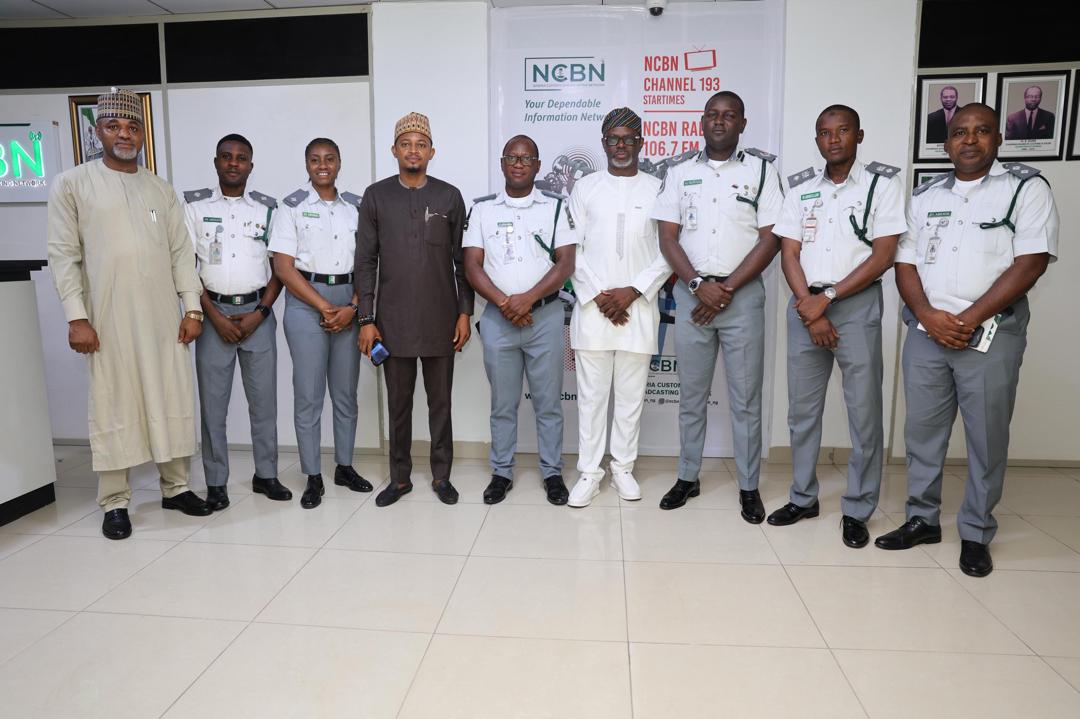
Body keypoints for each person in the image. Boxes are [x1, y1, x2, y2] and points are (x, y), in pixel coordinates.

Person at [876, 103, 1058, 577]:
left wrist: (967, 319)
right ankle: (922, 518)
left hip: (992, 333)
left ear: (998, 139)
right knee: (922, 433)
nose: (970, 140)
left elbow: (1031, 262)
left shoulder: (1025, 189)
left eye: (981, 132)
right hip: (925, 331)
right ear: (946, 143)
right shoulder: (925, 195)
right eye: (960, 132)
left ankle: (976, 532)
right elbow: (905, 263)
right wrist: (928, 316)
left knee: (985, 436)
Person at [47, 87, 212, 540]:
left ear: (142, 132)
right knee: (113, 401)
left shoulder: (160, 189)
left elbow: (182, 254)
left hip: (163, 317)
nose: (124, 133)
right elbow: (64, 255)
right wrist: (76, 317)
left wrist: (192, 308)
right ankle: (115, 501)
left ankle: (175, 488)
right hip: (106, 318)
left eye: (132, 126)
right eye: (114, 125)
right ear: (97, 130)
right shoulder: (73, 184)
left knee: (170, 396)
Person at [766, 105, 904, 547]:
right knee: (802, 412)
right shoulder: (801, 188)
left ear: (859, 136)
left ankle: (859, 507)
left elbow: (883, 256)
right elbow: (788, 252)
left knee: (864, 413)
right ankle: (803, 496)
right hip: (806, 307)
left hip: (854, 308)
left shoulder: (883, 185)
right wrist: (810, 304)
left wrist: (825, 300)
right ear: (817, 139)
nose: (834, 139)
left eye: (843, 130)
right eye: (825, 132)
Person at [652, 91, 783, 522]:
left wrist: (725, 288)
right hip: (692, 298)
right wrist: (696, 284)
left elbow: (771, 239)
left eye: (729, 116)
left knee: (745, 399)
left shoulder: (763, 171)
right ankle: (688, 477)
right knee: (691, 395)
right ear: (701, 122)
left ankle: (748, 486)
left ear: (742, 124)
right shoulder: (678, 172)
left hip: (741, 298)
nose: (719, 121)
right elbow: (667, 237)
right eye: (712, 114)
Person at [355, 112, 474, 507]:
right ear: (394, 150)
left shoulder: (448, 196)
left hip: (441, 319)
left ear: (432, 151)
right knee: (398, 405)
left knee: (441, 404)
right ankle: (400, 478)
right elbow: (366, 261)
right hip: (392, 322)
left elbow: (462, 261)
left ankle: (442, 477)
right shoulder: (376, 196)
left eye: (420, 144)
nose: (413, 150)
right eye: (405, 144)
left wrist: (463, 313)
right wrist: (367, 320)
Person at [565, 107, 671, 508]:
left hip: (638, 310)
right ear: (603, 143)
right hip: (594, 311)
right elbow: (569, 248)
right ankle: (590, 474)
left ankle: (623, 469)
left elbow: (669, 250)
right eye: (614, 139)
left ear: (642, 142)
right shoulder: (585, 188)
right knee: (592, 399)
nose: (621, 145)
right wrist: (599, 295)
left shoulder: (659, 188)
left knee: (630, 398)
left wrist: (634, 290)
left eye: (629, 138)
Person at [463, 135, 576, 505]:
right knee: (503, 403)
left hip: (544, 318)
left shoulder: (557, 208)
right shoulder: (482, 210)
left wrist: (526, 301)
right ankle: (501, 472)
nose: (518, 162)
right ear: (502, 163)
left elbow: (566, 263)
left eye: (526, 158)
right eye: (512, 156)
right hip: (498, 319)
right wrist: (505, 303)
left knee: (548, 403)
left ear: (538, 165)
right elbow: (472, 265)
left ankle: (552, 473)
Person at [184, 133, 289, 511]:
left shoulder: (268, 209)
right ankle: (216, 482)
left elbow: (281, 266)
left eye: (241, 158)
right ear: (216, 162)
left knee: (264, 404)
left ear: (250, 165)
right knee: (214, 407)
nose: (233, 163)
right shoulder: (194, 208)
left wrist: (261, 312)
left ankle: (267, 474)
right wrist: (213, 316)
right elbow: (185, 268)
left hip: (257, 315)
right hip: (213, 316)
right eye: (226, 157)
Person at [269, 137, 373, 509]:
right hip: (304, 303)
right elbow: (283, 267)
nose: (323, 165)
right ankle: (313, 475)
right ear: (307, 164)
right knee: (309, 396)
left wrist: (353, 306)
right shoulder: (290, 207)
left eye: (329, 158)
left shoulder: (357, 208)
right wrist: (324, 307)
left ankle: (344, 466)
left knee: (346, 394)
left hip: (349, 301)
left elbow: (369, 263)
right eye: (315, 159)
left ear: (340, 162)